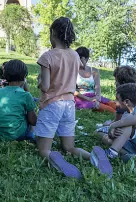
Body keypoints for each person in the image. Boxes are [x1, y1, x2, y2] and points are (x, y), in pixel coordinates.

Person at [36, 17, 112, 179]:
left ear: (52, 34)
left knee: (44, 150)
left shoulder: (47, 57)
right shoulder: (75, 56)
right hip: (69, 105)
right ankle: (93, 157)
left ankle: (58, 162)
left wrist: (39, 82)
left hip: (52, 105)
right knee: (69, 147)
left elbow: (45, 86)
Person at [0, 60, 37, 142]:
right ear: (24, 77)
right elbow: (33, 121)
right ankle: (32, 135)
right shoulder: (26, 95)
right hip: (18, 135)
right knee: (29, 114)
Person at [74, 47, 117, 113]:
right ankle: (118, 116)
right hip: (81, 98)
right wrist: (89, 99)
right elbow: (73, 91)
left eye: (81, 60)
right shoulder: (73, 71)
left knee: (113, 104)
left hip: (93, 96)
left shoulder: (94, 71)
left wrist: (98, 98)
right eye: (77, 59)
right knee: (106, 108)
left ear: (87, 59)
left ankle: (128, 114)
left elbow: (98, 87)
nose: (79, 62)